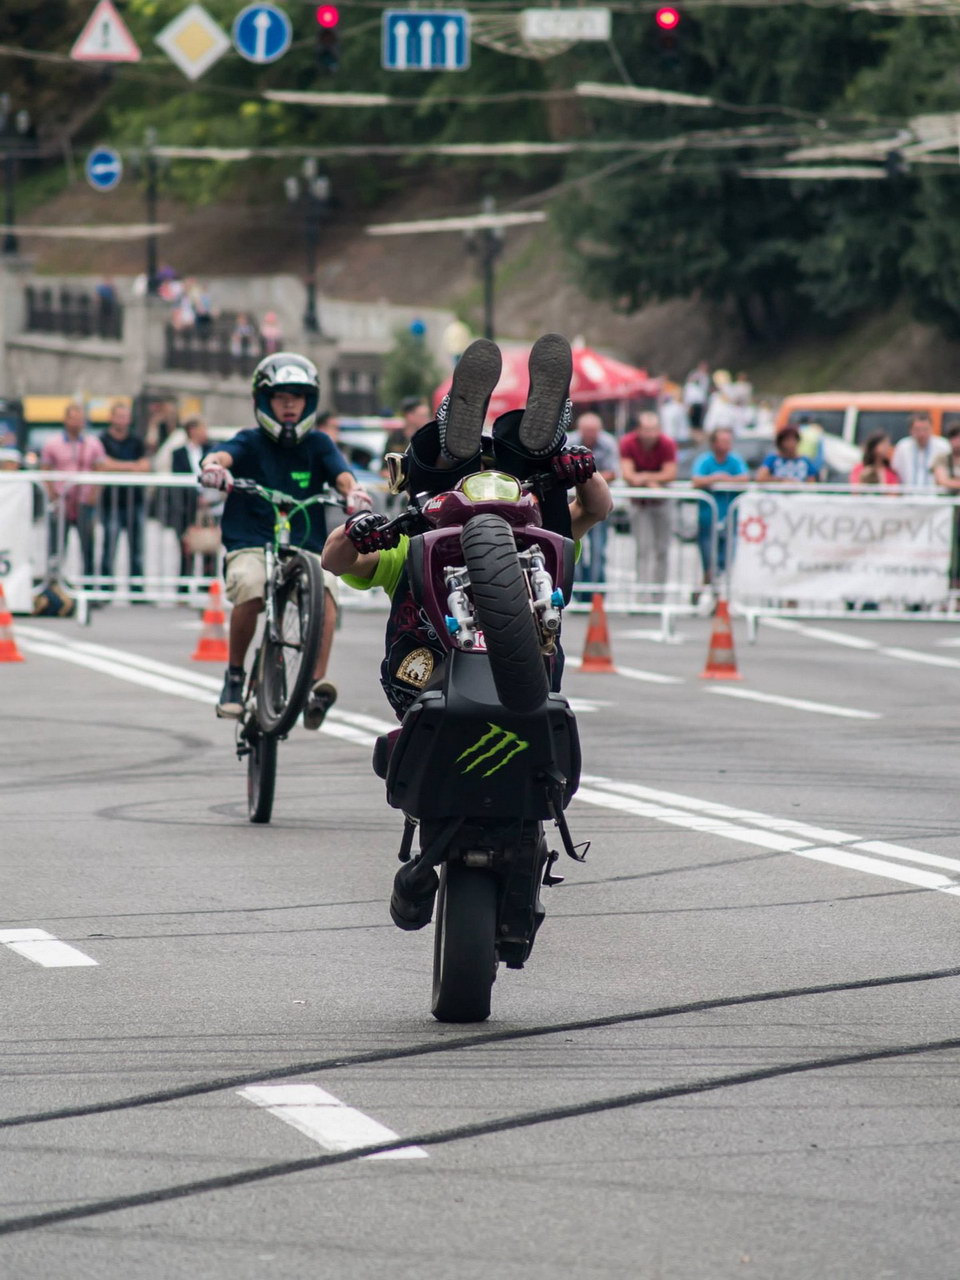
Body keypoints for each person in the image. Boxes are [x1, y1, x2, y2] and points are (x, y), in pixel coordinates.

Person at [322, 334, 613, 721]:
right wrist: (356, 531)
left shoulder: (532, 538)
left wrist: (579, 469)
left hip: (521, 683)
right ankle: (452, 454)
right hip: (435, 685)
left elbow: (596, 506)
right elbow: (334, 560)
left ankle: (532, 454)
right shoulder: (411, 542)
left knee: (550, 524)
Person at [200, 352, 371, 727]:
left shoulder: (319, 444)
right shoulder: (250, 440)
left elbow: (342, 475)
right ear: (264, 401)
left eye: (298, 396)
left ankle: (314, 684)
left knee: (327, 586)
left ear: (309, 401)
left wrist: (354, 493)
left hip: (303, 548)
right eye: (281, 397)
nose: (290, 404)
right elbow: (223, 455)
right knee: (250, 584)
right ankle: (233, 676)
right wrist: (213, 468)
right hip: (251, 541)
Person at [40, 404, 106, 580]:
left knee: (88, 547)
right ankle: (54, 586)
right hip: (62, 502)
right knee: (57, 548)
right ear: (65, 419)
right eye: (73, 418)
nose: (77, 422)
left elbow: (100, 468)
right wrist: (52, 493)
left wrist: (94, 494)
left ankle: (89, 585)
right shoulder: (52, 443)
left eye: (80, 418)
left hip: (84, 502)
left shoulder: (93, 444)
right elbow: (45, 469)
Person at [619, 410, 678, 597]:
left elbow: (670, 473)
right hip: (639, 504)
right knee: (642, 549)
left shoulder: (667, 443)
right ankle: (641, 594)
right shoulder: (628, 442)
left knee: (662, 549)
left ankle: (658, 595)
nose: (650, 434)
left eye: (654, 430)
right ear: (638, 430)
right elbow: (628, 474)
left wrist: (644, 477)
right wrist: (652, 482)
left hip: (661, 503)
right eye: (646, 430)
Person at [99, 401, 150, 597]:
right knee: (109, 546)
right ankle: (105, 588)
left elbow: (145, 465)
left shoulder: (136, 440)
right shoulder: (103, 439)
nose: (122, 420)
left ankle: (137, 590)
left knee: (137, 549)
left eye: (125, 416)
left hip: (134, 501)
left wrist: (118, 466)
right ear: (111, 418)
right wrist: (131, 467)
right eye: (118, 415)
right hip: (111, 501)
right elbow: (103, 464)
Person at [567, 410, 619, 594]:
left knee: (598, 549)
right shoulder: (568, 441)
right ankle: (576, 589)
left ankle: (595, 591)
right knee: (568, 547)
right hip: (571, 501)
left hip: (591, 502)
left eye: (593, 431)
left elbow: (613, 473)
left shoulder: (608, 443)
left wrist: (581, 472)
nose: (590, 435)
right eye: (586, 431)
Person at [691, 427, 750, 583]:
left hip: (730, 520)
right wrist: (715, 478)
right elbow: (696, 480)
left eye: (728, 441)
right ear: (714, 443)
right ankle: (706, 591)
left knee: (727, 564)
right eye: (723, 441)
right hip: (707, 520)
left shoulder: (735, 460)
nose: (726, 444)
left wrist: (725, 480)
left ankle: (717, 597)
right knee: (709, 563)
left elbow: (744, 479)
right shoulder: (704, 460)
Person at [170, 417, 219, 590]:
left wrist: (209, 496)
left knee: (209, 547)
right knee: (186, 547)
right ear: (192, 430)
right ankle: (184, 586)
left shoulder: (211, 450)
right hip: (186, 507)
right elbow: (178, 480)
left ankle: (207, 586)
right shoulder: (178, 453)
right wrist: (194, 497)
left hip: (209, 505)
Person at [933, 424, 960, 589]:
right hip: (948, 515)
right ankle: (948, 594)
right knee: (949, 554)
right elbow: (942, 480)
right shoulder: (943, 458)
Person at [892, 413, 949, 489]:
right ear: (910, 430)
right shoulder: (903, 446)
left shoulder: (943, 446)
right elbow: (897, 470)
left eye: (925, 429)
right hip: (908, 495)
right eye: (917, 429)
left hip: (934, 496)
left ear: (931, 428)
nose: (921, 434)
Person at [682, 361, 710, 434]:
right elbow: (689, 394)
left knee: (699, 422)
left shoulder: (705, 377)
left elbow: (704, 392)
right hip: (693, 403)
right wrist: (688, 405)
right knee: (692, 421)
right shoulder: (692, 381)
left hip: (700, 403)